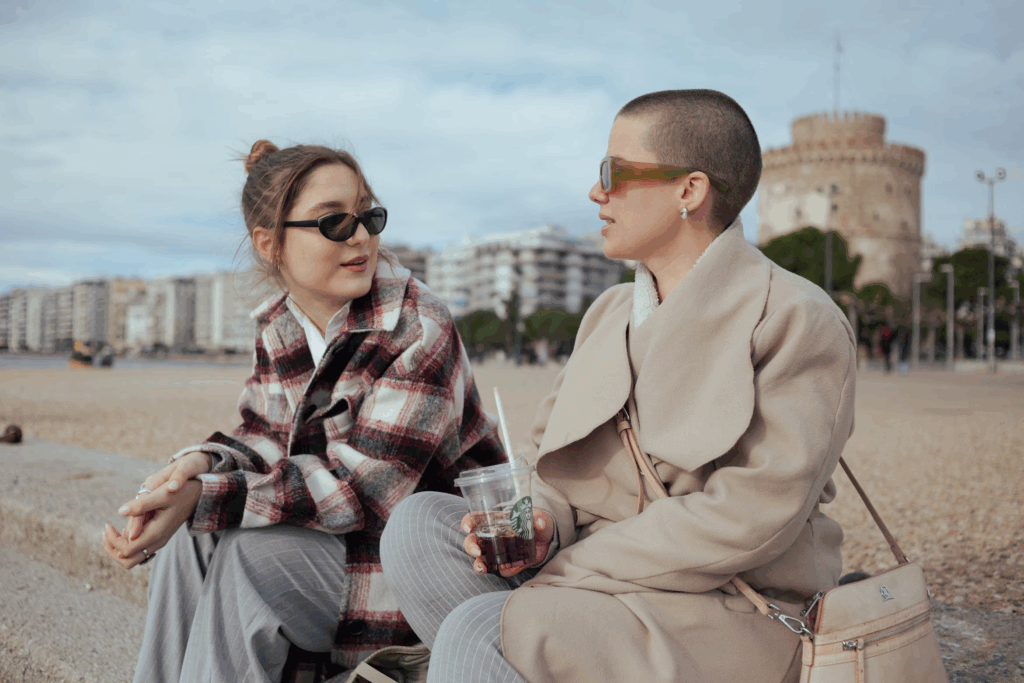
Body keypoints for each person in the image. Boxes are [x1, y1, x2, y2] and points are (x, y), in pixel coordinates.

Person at [380, 89, 857, 683]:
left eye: (614, 172)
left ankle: (505, 649)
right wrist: (542, 525)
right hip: (599, 585)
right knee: (418, 528)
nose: (596, 192)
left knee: (481, 629)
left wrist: (567, 565)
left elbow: (754, 519)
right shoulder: (608, 312)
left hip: (727, 607)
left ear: (690, 190)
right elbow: (546, 465)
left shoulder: (794, 317)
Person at [101, 140, 505, 683]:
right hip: (339, 550)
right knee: (189, 542)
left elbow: (365, 490)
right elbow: (263, 435)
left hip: (427, 571)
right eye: (333, 222)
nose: (360, 235)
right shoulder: (279, 324)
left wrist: (209, 498)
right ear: (271, 244)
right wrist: (195, 470)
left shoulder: (418, 325)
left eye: (369, 215)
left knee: (248, 559)